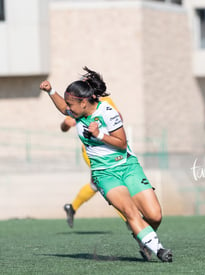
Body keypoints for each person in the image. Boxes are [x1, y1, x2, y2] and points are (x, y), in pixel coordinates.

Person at [40, 67, 172, 262]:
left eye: (71, 104)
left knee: (155, 216)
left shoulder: (108, 112)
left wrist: (99, 135)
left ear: (83, 102)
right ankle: (159, 249)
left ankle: (143, 235)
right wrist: (51, 91)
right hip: (104, 173)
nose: (68, 109)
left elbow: (122, 144)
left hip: (127, 167)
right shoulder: (77, 112)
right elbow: (62, 108)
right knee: (130, 212)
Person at [60, 98, 128, 229]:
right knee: (109, 182)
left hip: (109, 150)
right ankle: (128, 218)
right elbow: (64, 126)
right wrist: (66, 123)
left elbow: (119, 118)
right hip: (91, 152)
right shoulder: (78, 102)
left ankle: (71, 207)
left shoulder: (105, 101)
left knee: (95, 185)